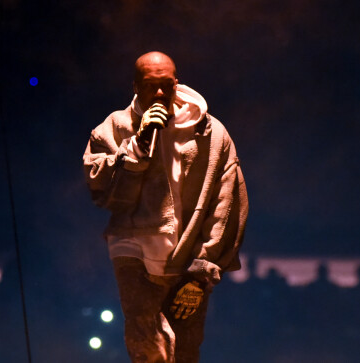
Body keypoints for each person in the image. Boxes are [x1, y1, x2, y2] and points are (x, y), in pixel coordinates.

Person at [83, 51, 249, 362]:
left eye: (166, 84)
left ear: (176, 82)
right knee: (147, 347)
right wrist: (138, 143)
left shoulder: (211, 134)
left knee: (186, 350)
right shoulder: (115, 128)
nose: (159, 93)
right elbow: (106, 196)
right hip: (132, 250)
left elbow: (227, 202)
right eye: (149, 85)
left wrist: (202, 272)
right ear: (135, 86)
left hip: (187, 258)